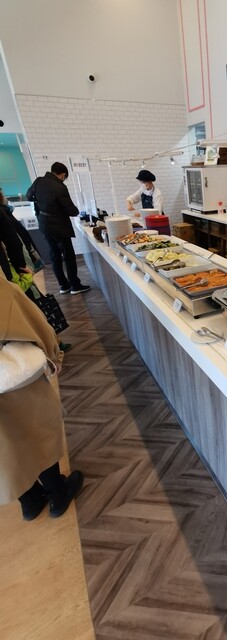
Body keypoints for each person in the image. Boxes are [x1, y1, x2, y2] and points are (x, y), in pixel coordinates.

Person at [0, 271, 84, 520]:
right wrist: (53, 354)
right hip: (10, 377)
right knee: (34, 429)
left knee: (5, 446)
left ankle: (29, 502)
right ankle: (58, 493)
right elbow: (24, 319)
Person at [26, 162, 90, 295]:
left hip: (44, 224)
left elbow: (28, 196)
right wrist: (77, 211)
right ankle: (75, 286)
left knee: (54, 255)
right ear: (63, 175)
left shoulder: (38, 181)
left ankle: (63, 285)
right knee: (68, 256)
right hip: (59, 227)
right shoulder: (60, 187)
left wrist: (43, 204)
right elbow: (71, 210)